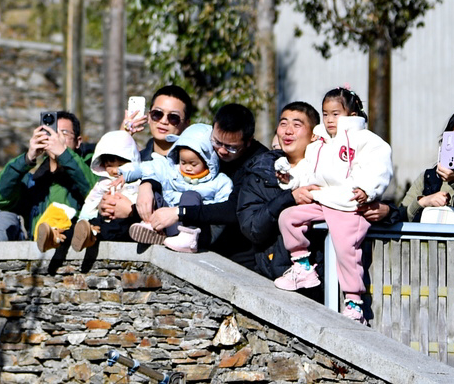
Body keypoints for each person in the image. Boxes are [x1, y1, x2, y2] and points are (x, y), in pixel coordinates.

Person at [273, 87, 394, 323]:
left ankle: (353, 301)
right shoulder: (319, 142)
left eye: (335, 114)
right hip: (322, 197)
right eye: (325, 113)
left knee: (346, 250)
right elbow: (309, 170)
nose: (329, 119)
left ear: (351, 114)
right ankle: (303, 266)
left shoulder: (367, 140)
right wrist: (292, 179)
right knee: (288, 217)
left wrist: (368, 190)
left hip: (348, 203)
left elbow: (379, 167)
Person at [139, 103, 266, 260]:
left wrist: (180, 212)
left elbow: (234, 209)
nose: (221, 151)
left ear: (248, 142)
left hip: (239, 253)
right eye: (217, 142)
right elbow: (168, 171)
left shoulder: (260, 165)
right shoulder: (207, 144)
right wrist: (146, 185)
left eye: (231, 147)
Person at [120, 124, 237, 251]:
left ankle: (188, 238)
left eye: (193, 164)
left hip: (198, 230)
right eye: (183, 162)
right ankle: (152, 226)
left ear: (208, 161)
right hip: (168, 222)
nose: (187, 167)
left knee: (190, 195)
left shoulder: (220, 182)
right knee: (155, 192)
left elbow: (221, 211)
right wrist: (124, 174)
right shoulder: (172, 170)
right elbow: (147, 167)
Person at [0, 110, 95, 249]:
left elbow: (97, 193)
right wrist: (27, 158)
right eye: (51, 133)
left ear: (78, 142)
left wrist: (64, 154)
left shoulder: (89, 172)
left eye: (63, 133)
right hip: (37, 260)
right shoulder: (32, 182)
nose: (55, 138)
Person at [236, 101, 319, 279]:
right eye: (283, 124)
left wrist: (386, 211)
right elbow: (251, 228)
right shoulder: (260, 172)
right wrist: (288, 198)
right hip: (275, 276)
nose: (288, 130)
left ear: (314, 134)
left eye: (297, 125)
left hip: (324, 274)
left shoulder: (328, 167)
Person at [70, 130, 140, 249]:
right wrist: (84, 219)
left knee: (115, 228)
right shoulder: (103, 183)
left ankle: (91, 235)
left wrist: (132, 209)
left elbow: (142, 200)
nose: (114, 171)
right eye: (109, 166)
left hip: (127, 221)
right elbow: (91, 201)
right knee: (79, 226)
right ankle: (59, 235)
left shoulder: (137, 181)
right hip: (104, 218)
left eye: (120, 166)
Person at [123, 84, 195, 160]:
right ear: (149, 116)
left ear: (186, 124)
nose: (164, 121)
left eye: (173, 117)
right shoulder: (134, 163)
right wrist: (122, 137)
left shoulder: (195, 166)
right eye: (157, 114)